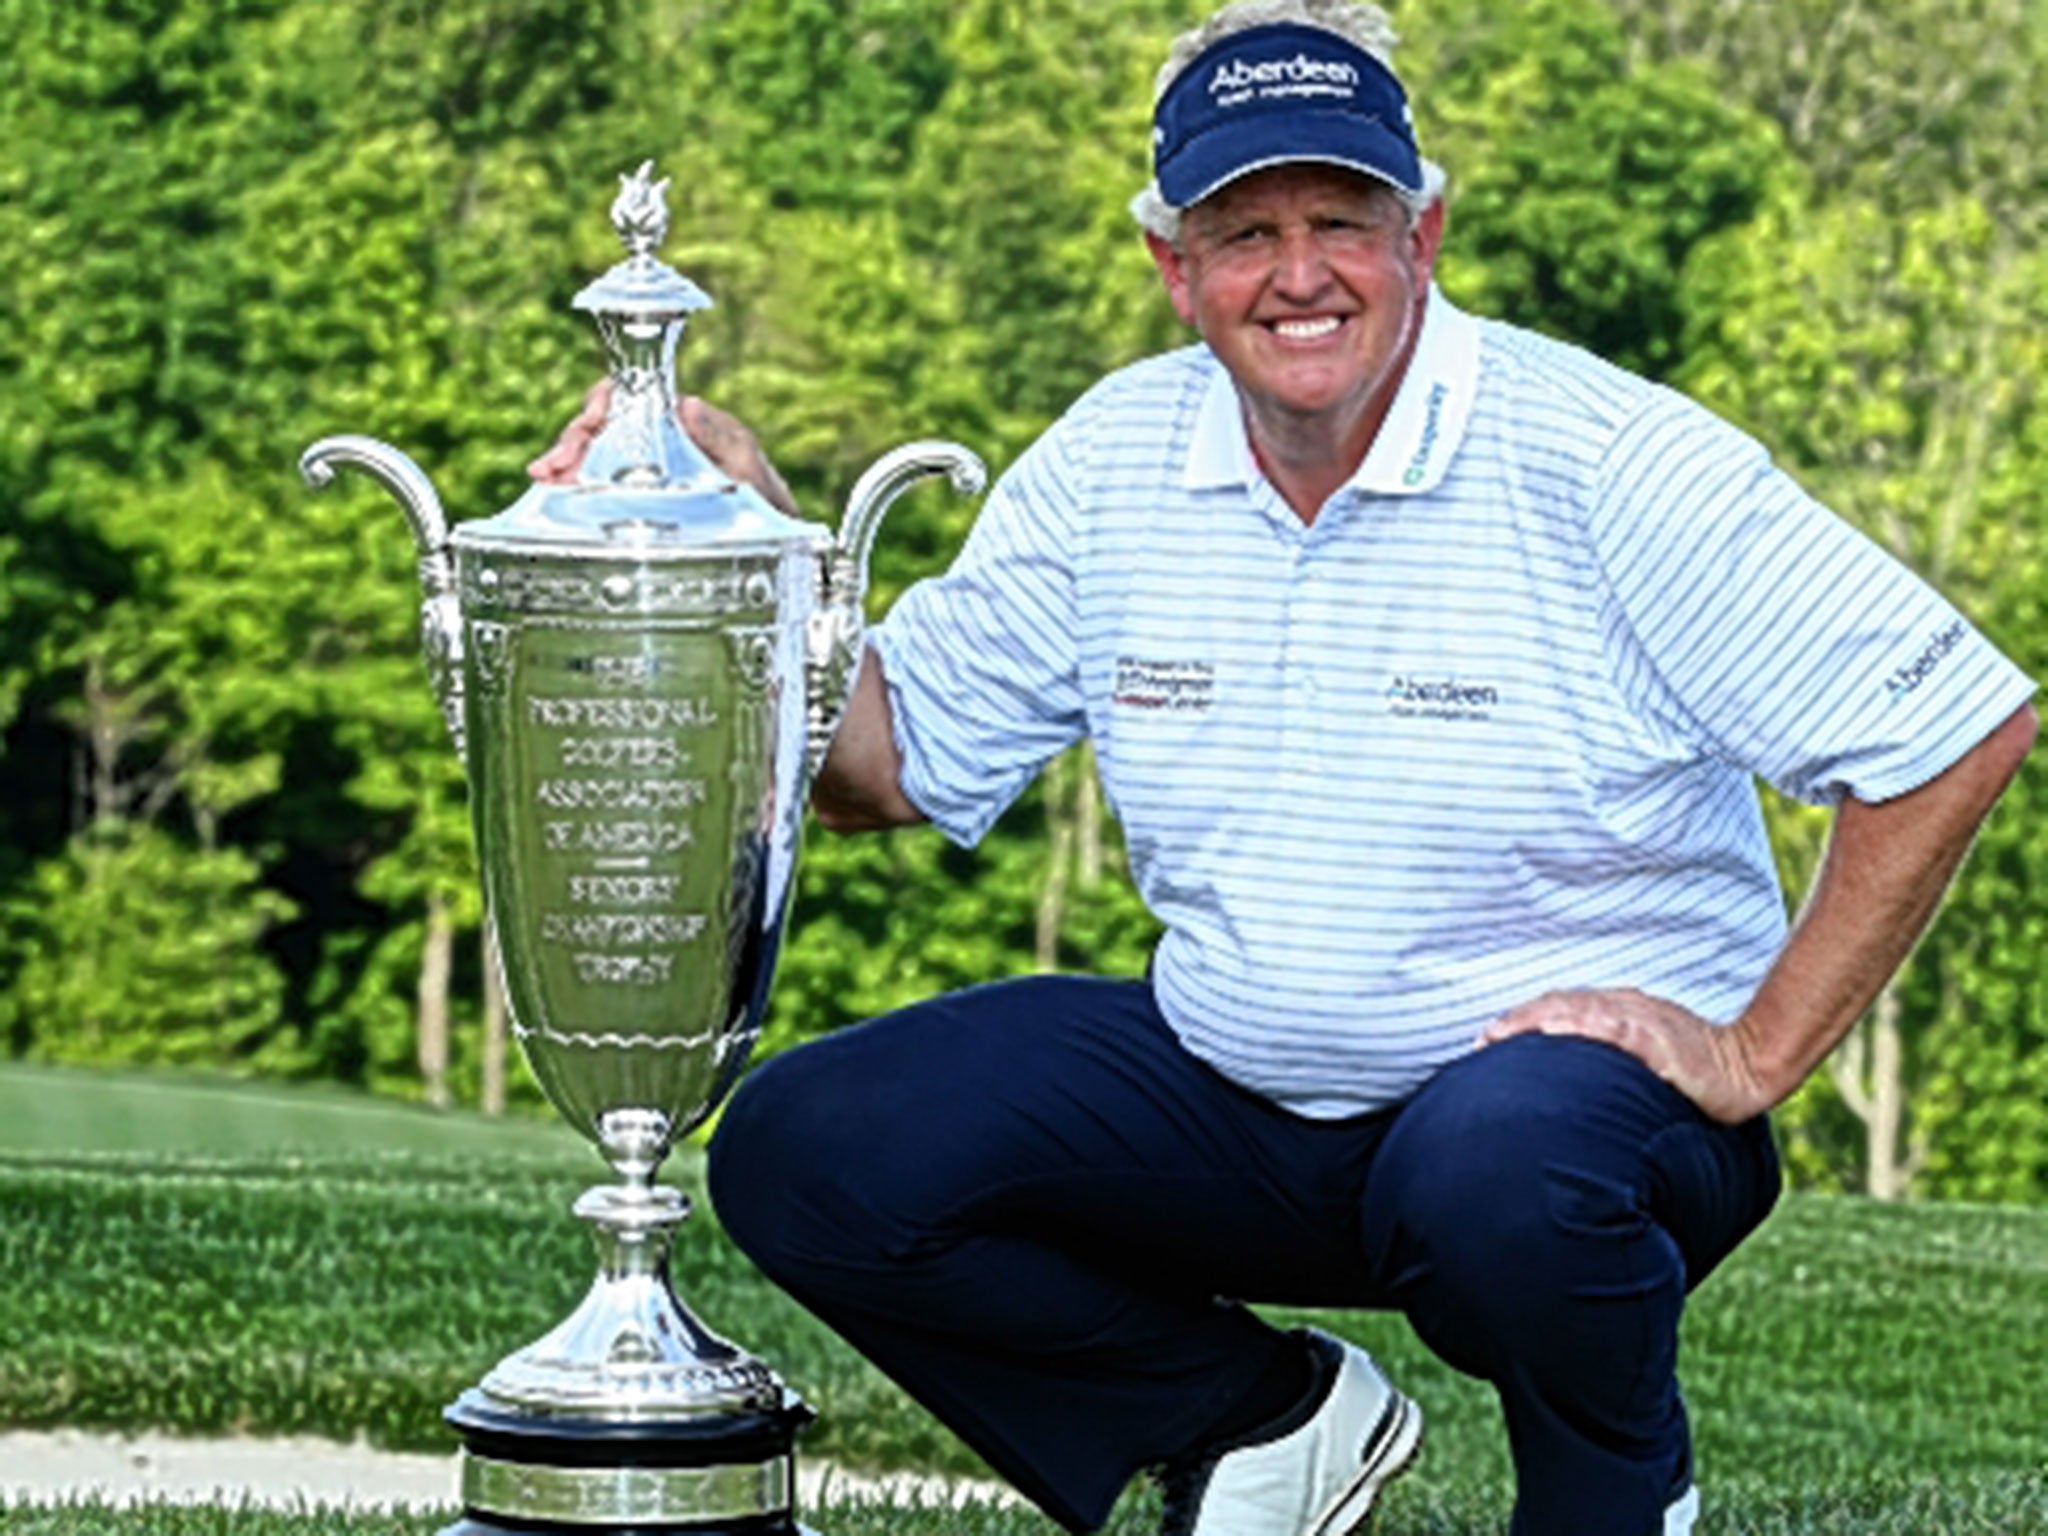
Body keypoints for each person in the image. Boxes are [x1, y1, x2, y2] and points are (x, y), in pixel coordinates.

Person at [533, 5, 2036, 1533]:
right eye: (1246, 231)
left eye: (1343, 222)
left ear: (1422, 236)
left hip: (1569, 1126)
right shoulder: (1117, 458)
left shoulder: (1608, 459)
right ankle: (1258, 1427)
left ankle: (1618, 1496)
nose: (1299, 274)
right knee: (814, 1149)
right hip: (1245, 1099)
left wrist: (1757, 1055)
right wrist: (761, 546)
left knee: (1501, 1175)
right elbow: (884, 766)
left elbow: (1954, 729)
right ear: (1173, 265)